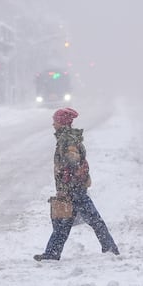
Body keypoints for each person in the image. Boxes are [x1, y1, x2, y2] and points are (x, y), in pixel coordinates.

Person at [34, 107, 119, 261]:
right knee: (64, 223)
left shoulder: (68, 140)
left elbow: (71, 164)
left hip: (74, 189)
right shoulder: (66, 138)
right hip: (73, 188)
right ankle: (52, 253)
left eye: (55, 121)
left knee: (91, 220)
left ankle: (110, 248)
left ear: (62, 122)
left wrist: (65, 189)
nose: (53, 124)